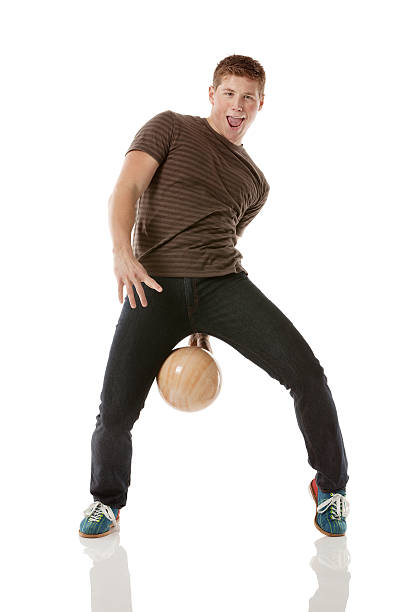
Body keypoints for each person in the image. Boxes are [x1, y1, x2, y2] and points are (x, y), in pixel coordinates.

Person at [79, 54, 350, 539]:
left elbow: (221, 238)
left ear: (261, 104)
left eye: (249, 97)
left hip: (224, 286)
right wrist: (122, 252)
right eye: (229, 93)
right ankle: (106, 500)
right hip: (152, 286)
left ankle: (331, 489)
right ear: (212, 95)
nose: (238, 104)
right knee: (116, 407)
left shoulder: (256, 183)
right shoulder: (170, 127)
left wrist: (200, 328)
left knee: (307, 375)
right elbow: (126, 188)